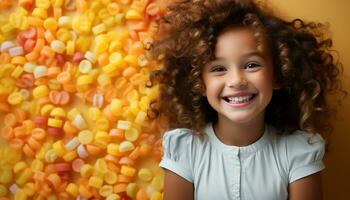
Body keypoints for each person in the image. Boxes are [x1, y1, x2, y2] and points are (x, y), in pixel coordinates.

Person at [146, 0, 346, 199]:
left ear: (278, 75)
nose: (236, 81)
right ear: (201, 84)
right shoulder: (185, 149)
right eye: (218, 69)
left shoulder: (298, 152)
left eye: (251, 65)